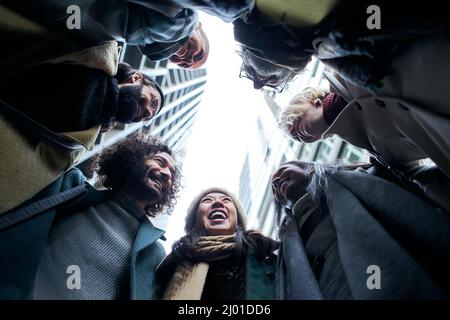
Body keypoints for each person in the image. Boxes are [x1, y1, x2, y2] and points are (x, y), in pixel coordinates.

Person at [0, 134, 180, 299]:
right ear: (134, 160)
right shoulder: (72, 189)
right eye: (159, 162)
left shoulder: (154, 253)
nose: (166, 174)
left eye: (172, 175)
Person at [271, 161, 450, 299]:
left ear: (309, 168)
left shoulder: (363, 177)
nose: (277, 181)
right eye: (273, 187)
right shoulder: (287, 248)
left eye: (281, 171)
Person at [155, 188, 278, 300]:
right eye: (207, 200)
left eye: (226, 200)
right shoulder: (173, 263)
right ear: (194, 222)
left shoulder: (263, 252)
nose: (218, 203)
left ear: (238, 221)